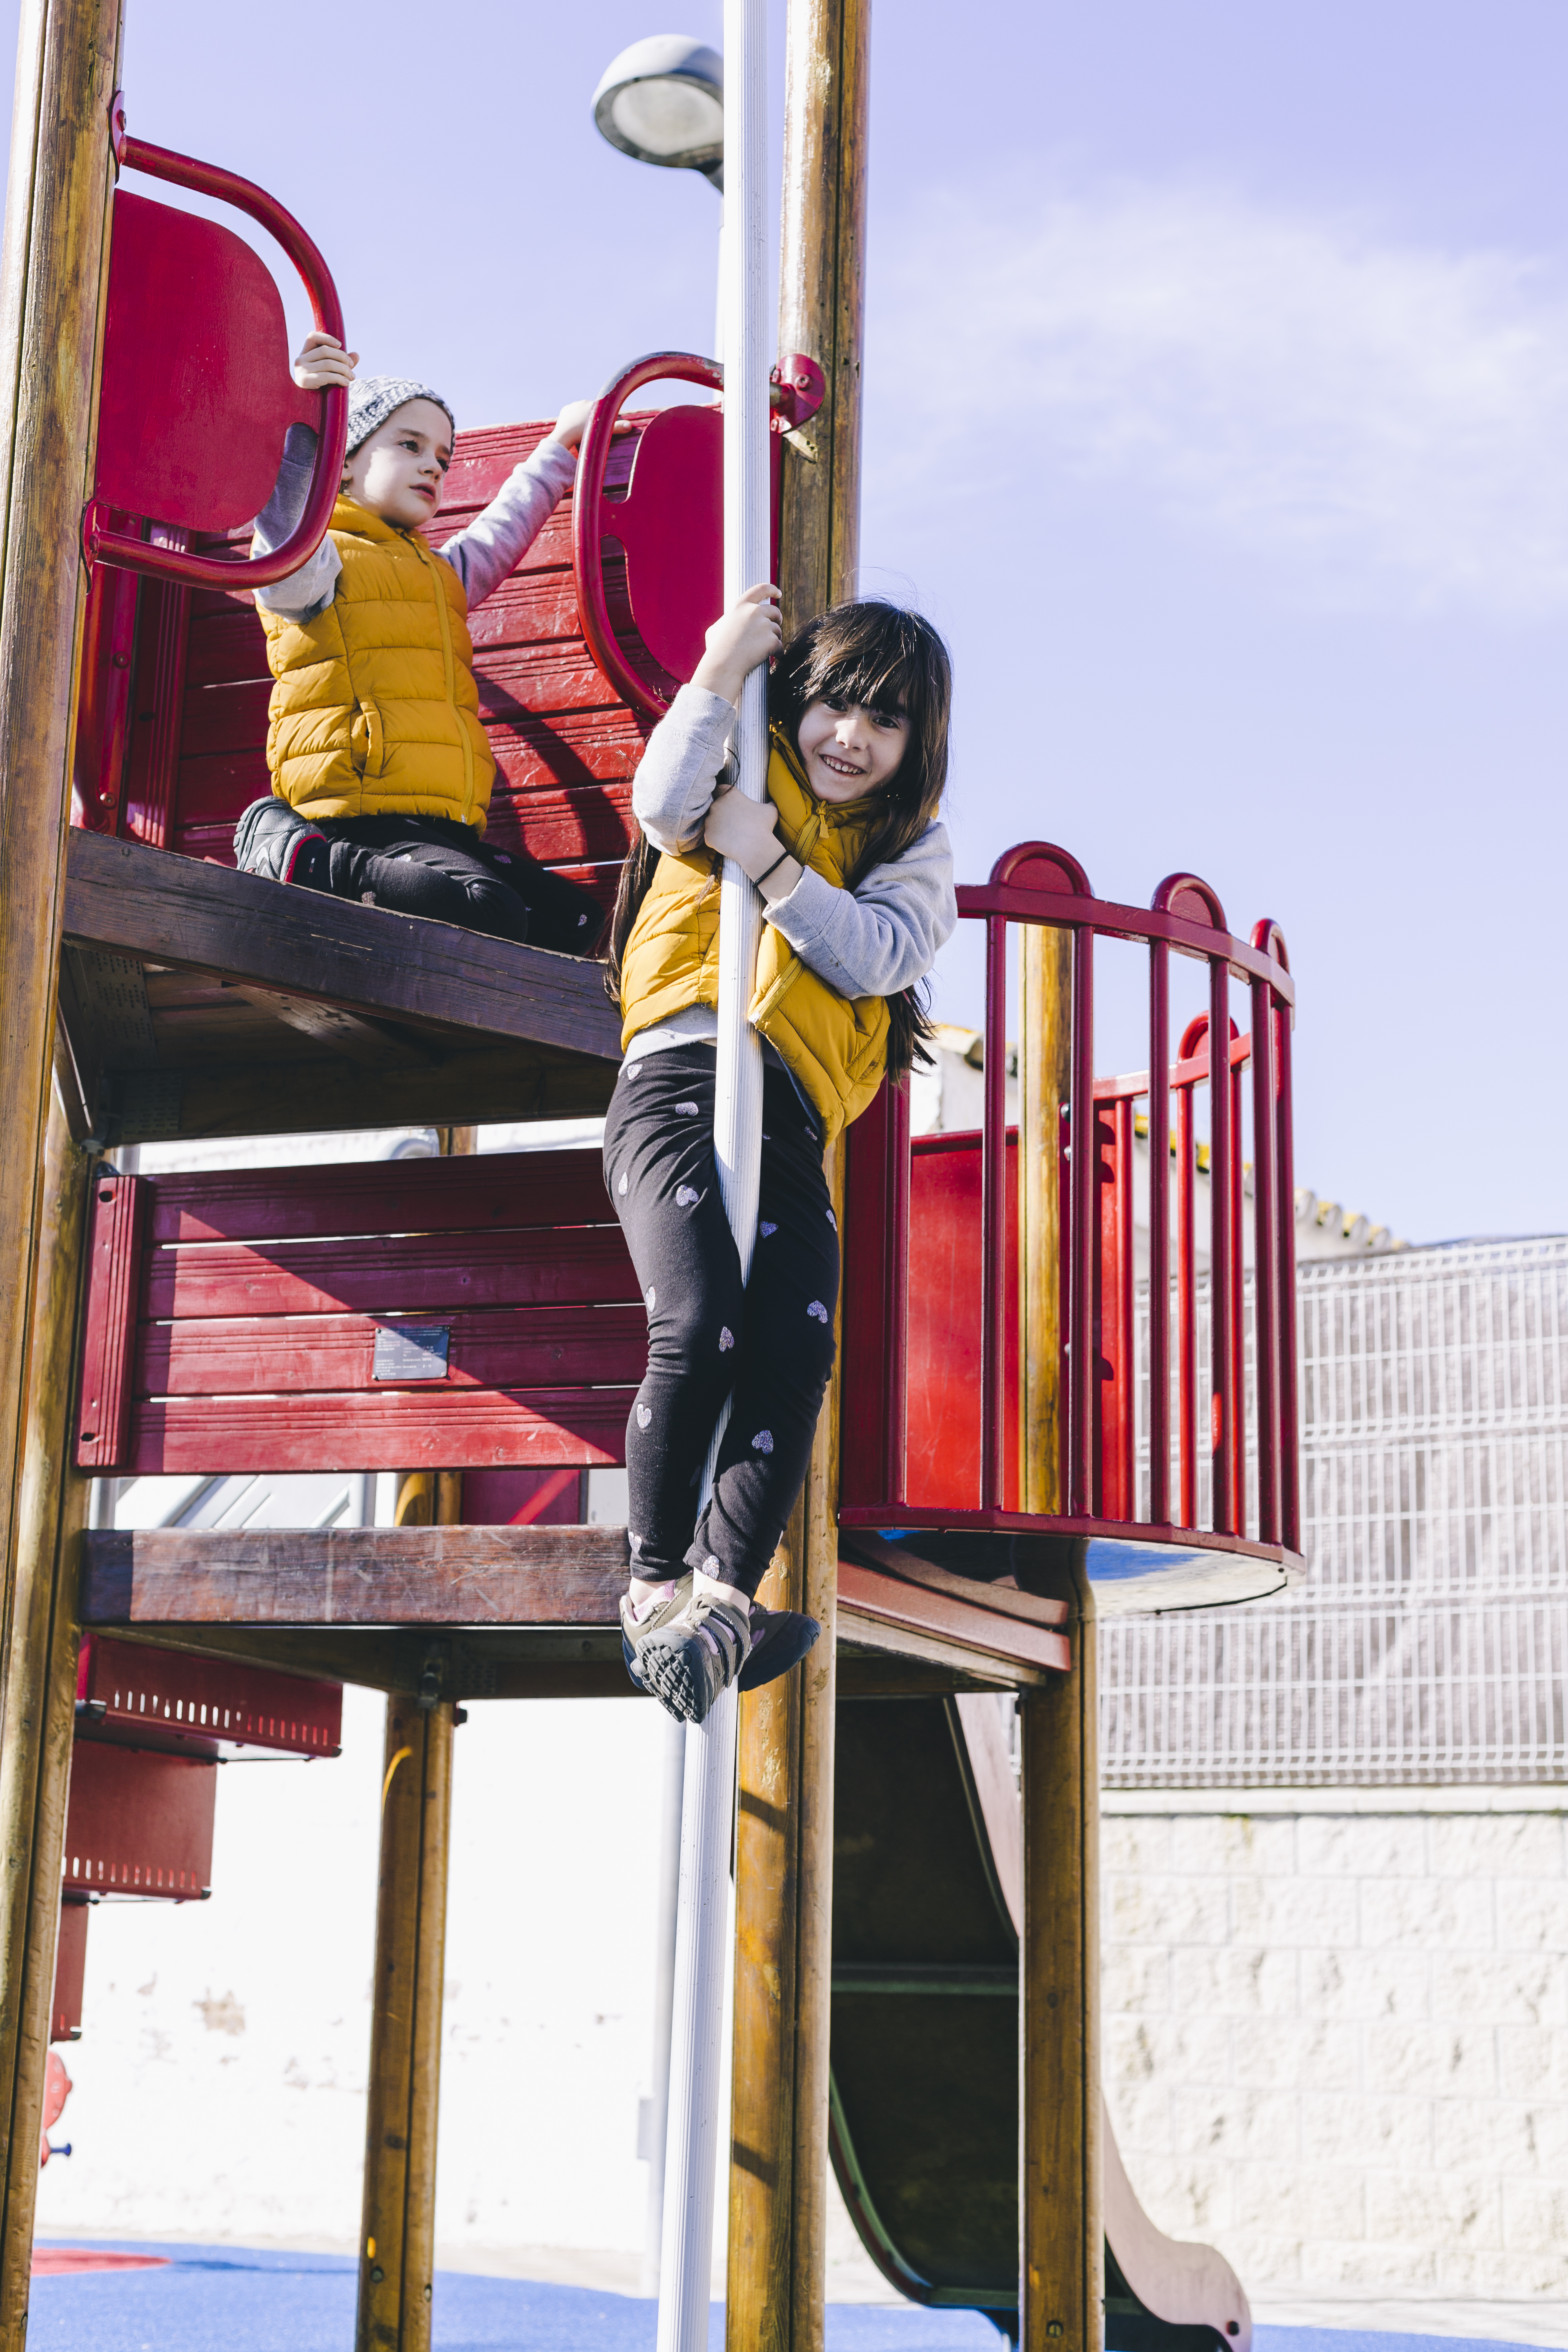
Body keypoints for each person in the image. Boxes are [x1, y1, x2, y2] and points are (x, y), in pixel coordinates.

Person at [606, 585, 957, 1723]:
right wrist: (717, 669)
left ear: (919, 743)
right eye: (835, 705)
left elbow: (878, 954)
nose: (851, 737)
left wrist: (772, 866)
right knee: (700, 1315)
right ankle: (656, 1585)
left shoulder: (910, 845)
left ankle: (722, 1598)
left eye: (887, 720)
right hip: (679, 1070)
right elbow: (662, 804)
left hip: (791, 1109)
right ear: (796, 700)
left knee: (799, 1341)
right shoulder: (742, 755)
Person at [233, 330, 604, 954]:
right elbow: (288, 536)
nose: (433, 463)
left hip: (441, 824)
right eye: (409, 445)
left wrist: (560, 451)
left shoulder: (438, 576)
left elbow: (500, 534)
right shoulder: (318, 559)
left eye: (444, 456)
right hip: (358, 813)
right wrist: (305, 426)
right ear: (344, 461)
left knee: (578, 923)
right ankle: (292, 853)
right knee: (490, 910)